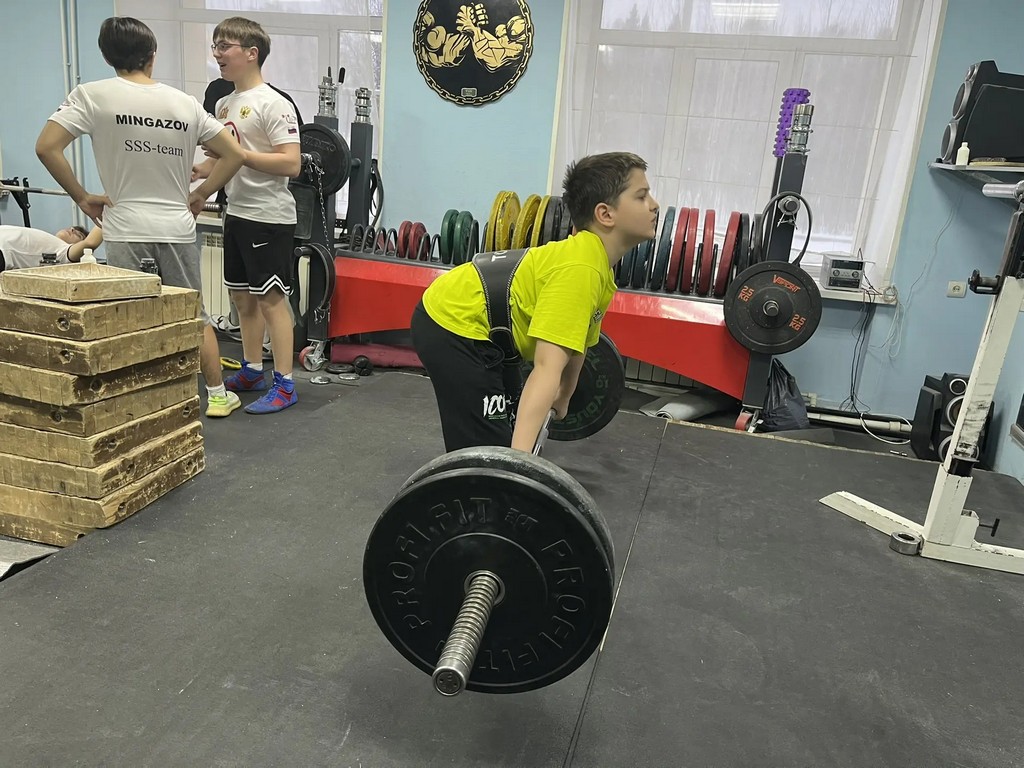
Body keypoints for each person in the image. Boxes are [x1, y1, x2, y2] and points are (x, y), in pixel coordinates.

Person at [35, 16, 246, 419]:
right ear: (152, 55)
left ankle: (136, 404)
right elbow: (234, 153)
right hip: (176, 226)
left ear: (107, 57)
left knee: (128, 318)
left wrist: (82, 197)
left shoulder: (92, 95)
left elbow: (46, 147)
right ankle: (218, 395)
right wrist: (201, 194)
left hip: (126, 227)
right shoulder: (182, 102)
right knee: (193, 315)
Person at [411, 151, 659, 453]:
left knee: (513, 422)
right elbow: (545, 369)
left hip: (488, 331)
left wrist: (565, 395)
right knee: (486, 452)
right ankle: (485, 475)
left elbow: (578, 344)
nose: (654, 205)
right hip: (452, 324)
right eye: (642, 196)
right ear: (605, 214)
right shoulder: (580, 269)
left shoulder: (596, 266)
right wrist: (519, 462)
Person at [191, 16, 302, 415]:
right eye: (215, 46)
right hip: (235, 212)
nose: (218, 54)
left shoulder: (274, 104)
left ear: (251, 53)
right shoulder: (224, 104)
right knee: (241, 297)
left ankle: (285, 384)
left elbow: (291, 163)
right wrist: (201, 171)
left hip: (268, 216)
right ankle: (253, 369)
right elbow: (225, 159)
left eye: (225, 46)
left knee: (271, 300)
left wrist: (239, 156)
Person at [0, 224, 102, 271]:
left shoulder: (61, 253)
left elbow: (90, 242)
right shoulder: (49, 241)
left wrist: (107, 212)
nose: (72, 230)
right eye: (72, 228)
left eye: (78, 235)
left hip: (3, 253)